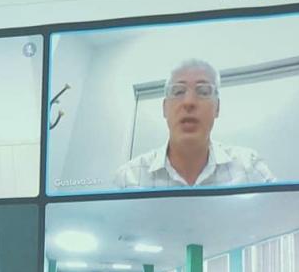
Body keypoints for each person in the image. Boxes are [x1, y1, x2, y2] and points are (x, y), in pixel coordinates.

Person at [113, 59, 275, 189]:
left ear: (217, 108)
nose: (189, 102)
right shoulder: (128, 178)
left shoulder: (250, 167)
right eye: (178, 92)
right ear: (164, 109)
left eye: (203, 92)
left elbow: (281, 226)